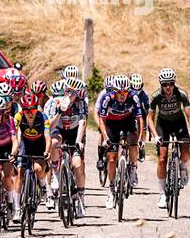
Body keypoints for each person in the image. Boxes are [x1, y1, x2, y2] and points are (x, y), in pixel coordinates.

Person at [148, 68, 190, 210]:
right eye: (164, 84)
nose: (168, 87)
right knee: (162, 158)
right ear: (161, 84)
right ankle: (162, 194)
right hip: (163, 124)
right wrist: (155, 136)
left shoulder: (181, 93)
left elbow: (189, 115)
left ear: (174, 83)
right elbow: (150, 118)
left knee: (186, 150)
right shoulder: (156, 96)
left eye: (170, 83)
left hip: (179, 122)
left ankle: (182, 167)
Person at [96, 74, 142, 209]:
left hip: (127, 121)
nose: (122, 95)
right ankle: (111, 190)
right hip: (111, 124)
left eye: (125, 92)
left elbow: (140, 119)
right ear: (114, 91)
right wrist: (106, 137)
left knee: (133, 144)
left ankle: (133, 169)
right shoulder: (107, 98)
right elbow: (102, 120)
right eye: (119, 92)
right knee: (111, 159)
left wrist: (141, 139)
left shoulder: (134, 97)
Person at [45, 78, 87, 217]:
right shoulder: (53, 102)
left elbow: (82, 122)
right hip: (59, 131)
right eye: (68, 92)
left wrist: (79, 141)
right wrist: (59, 112)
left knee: (78, 165)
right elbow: (49, 126)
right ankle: (56, 175)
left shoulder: (81, 104)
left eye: (74, 93)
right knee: (55, 142)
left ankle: (81, 197)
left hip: (74, 133)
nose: (71, 96)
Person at [14, 91, 52, 212]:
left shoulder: (43, 117)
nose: (30, 113)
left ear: (37, 109)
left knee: (38, 169)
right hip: (25, 143)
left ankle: (43, 187)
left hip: (39, 144)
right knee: (20, 172)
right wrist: (14, 150)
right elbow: (14, 134)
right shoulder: (18, 116)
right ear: (22, 110)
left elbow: (48, 137)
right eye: (26, 110)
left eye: (33, 110)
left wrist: (47, 151)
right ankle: (17, 208)